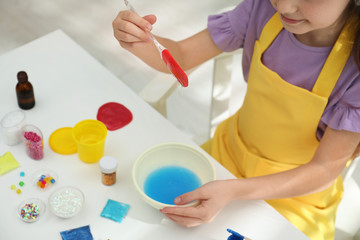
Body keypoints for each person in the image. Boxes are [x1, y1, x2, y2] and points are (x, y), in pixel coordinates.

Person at [112, 0, 360, 239]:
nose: (284, 6)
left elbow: (323, 170)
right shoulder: (262, 8)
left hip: (296, 194)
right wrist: (141, 41)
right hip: (227, 154)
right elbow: (182, 56)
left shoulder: (355, 71)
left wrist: (234, 190)